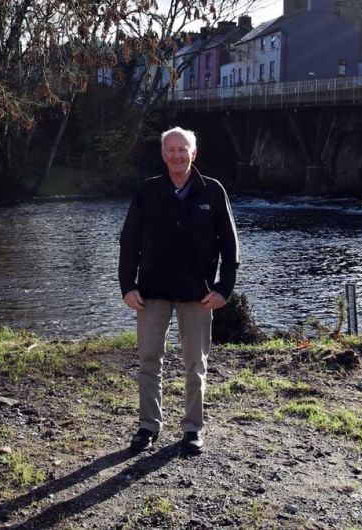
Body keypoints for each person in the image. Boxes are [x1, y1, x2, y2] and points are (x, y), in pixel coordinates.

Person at [118, 126, 239, 454]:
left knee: (194, 364)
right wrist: (127, 286)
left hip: (198, 295)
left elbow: (230, 247)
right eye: (170, 150)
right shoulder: (148, 191)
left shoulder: (212, 192)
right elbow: (129, 241)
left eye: (182, 149)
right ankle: (148, 426)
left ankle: (192, 429)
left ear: (193, 154)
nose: (176, 155)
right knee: (148, 361)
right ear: (163, 154)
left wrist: (224, 289)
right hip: (151, 292)